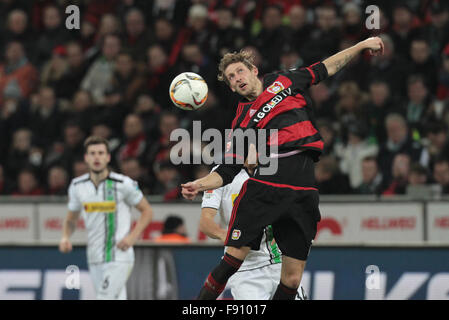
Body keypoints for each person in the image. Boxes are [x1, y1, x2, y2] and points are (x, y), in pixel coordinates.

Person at [181, 37, 385, 300]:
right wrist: (199, 185)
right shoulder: (241, 120)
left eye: (239, 71)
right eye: (231, 78)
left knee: (292, 278)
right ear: (231, 87)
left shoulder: (284, 80)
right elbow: (228, 169)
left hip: (304, 187)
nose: (237, 78)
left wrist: (361, 45)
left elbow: (325, 68)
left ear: (254, 70)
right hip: (269, 183)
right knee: (232, 260)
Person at [59, 136, 153, 300]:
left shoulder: (123, 184)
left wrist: (132, 237)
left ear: (108, 157)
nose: (97, 157)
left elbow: (147, 211)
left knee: (105, 297)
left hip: (119, 255)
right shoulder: (77, 186)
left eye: (101, 153)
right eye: (92, 153)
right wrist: (65, 237)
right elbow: (71, 219)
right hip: (94, 256)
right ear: (86, 158)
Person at [200, 166, 307, 300]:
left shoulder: (273, 168)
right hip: (245, 268)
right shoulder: (222, 172)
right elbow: (205, 223)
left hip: (279, 262)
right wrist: (228, 236)